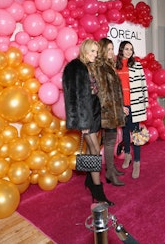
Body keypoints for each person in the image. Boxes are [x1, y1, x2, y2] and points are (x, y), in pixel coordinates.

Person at [62, 39, 113, 205]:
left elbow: (95, 92)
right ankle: (98, 191)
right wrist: (82, 122)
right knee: (95, 150)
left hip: (95, 112)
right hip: (86, 116)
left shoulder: (90, 66)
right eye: (92, 51)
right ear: (84, 50)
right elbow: (72, 98)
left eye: (96, 52)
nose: (95, 55)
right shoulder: (74, 68)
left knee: (94, 149)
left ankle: (91, 182)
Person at [94, 38, 126, 186]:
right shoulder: (101, 67)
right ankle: (109, 172)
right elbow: (103, 93)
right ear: (102, 51)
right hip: (107, 111)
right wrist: (110, 111)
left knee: (110, 140)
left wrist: (120, 107)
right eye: (108, 49)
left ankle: (111, 169)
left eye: (112, 49)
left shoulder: (109, 65)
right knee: (109, 141)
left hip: (113, 109)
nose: (112, 52)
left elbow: (115, 91)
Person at [115, 41, 149, 179]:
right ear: (121, 50)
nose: (129, 51)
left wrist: (144, 104)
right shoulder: (115, 67)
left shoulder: (137, 65)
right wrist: (119, 106)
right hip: (122, 106)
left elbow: (143, 85)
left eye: (131, 49)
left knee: (136, 135)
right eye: (126, 49)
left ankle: (137, 163)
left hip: (135, 106)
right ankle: (127, 156)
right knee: (125, 132)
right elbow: (115, 90)